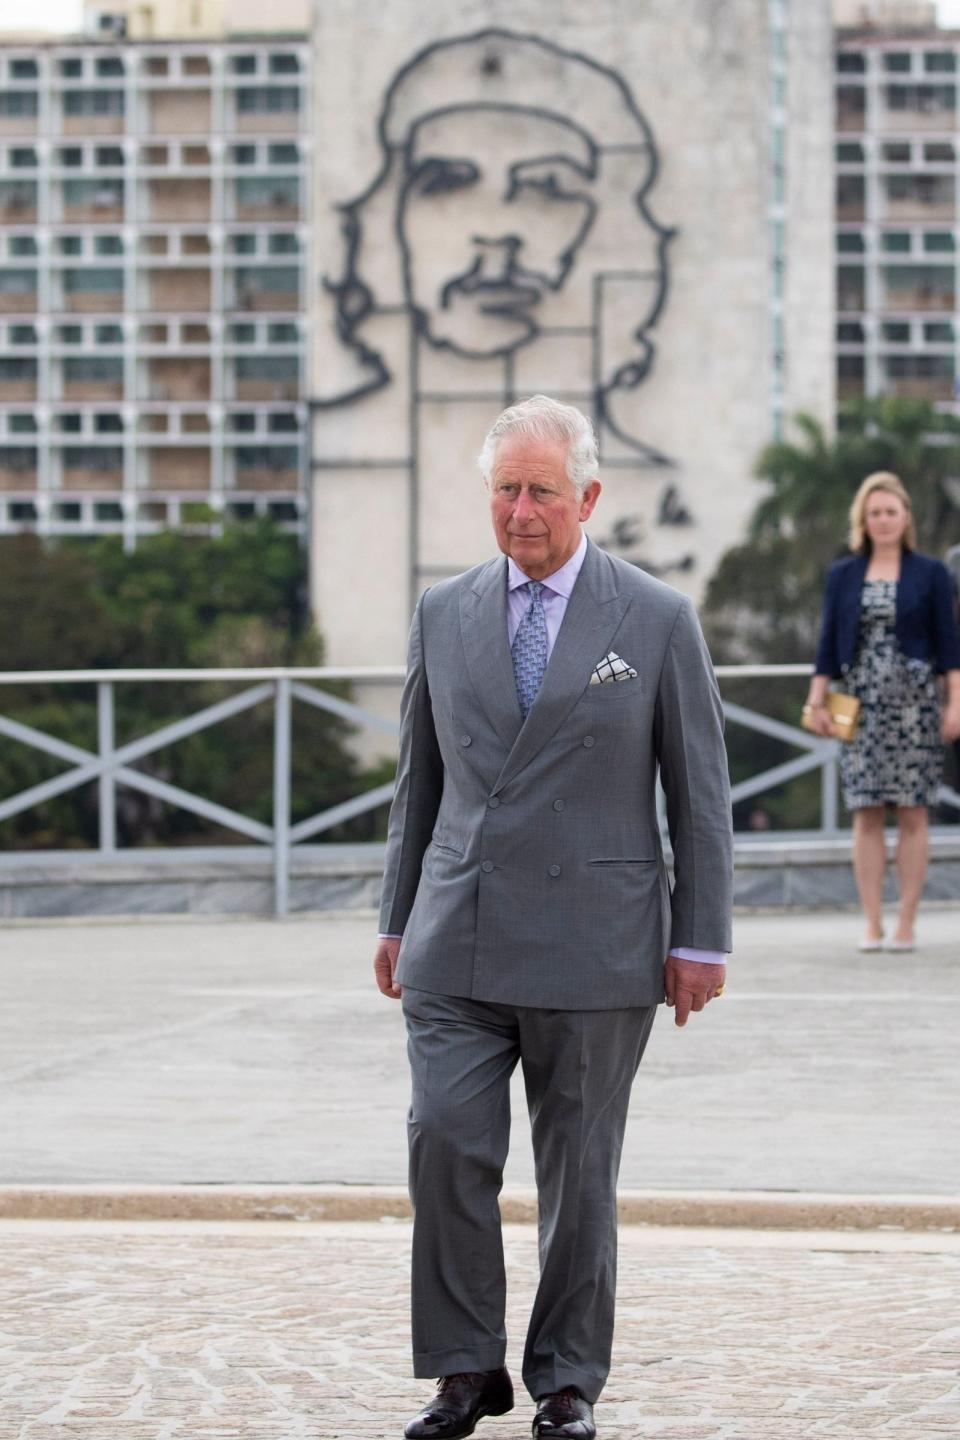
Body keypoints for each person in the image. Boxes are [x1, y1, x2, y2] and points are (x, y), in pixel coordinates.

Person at [373, 395, 733, 1440]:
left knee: (579, 1175)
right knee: (443, 1140)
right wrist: (396, 920)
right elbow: (418, 784)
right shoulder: (441, 613)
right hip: (457, 932)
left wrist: (700, 937)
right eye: (504, 490)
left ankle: (567, 1379)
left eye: (540, 490)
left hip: (599, 939)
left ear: (589, 496)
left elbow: (698, 793)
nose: (521, 511)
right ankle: (462, 1369)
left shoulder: (657, 620)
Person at [806, 472, 960, 951]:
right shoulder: (843, 574)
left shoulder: (931, 573)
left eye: (891, 511)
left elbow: (949, 646)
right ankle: (872, 922)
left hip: (915, 703)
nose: (883, 520)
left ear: (905, 517)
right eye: (875, 512)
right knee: (866, 811)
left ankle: (907, 922)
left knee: (914, 812)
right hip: (860, 702)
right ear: (864, 520)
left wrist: (955, 701)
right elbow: (828, 645)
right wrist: (817, 700)